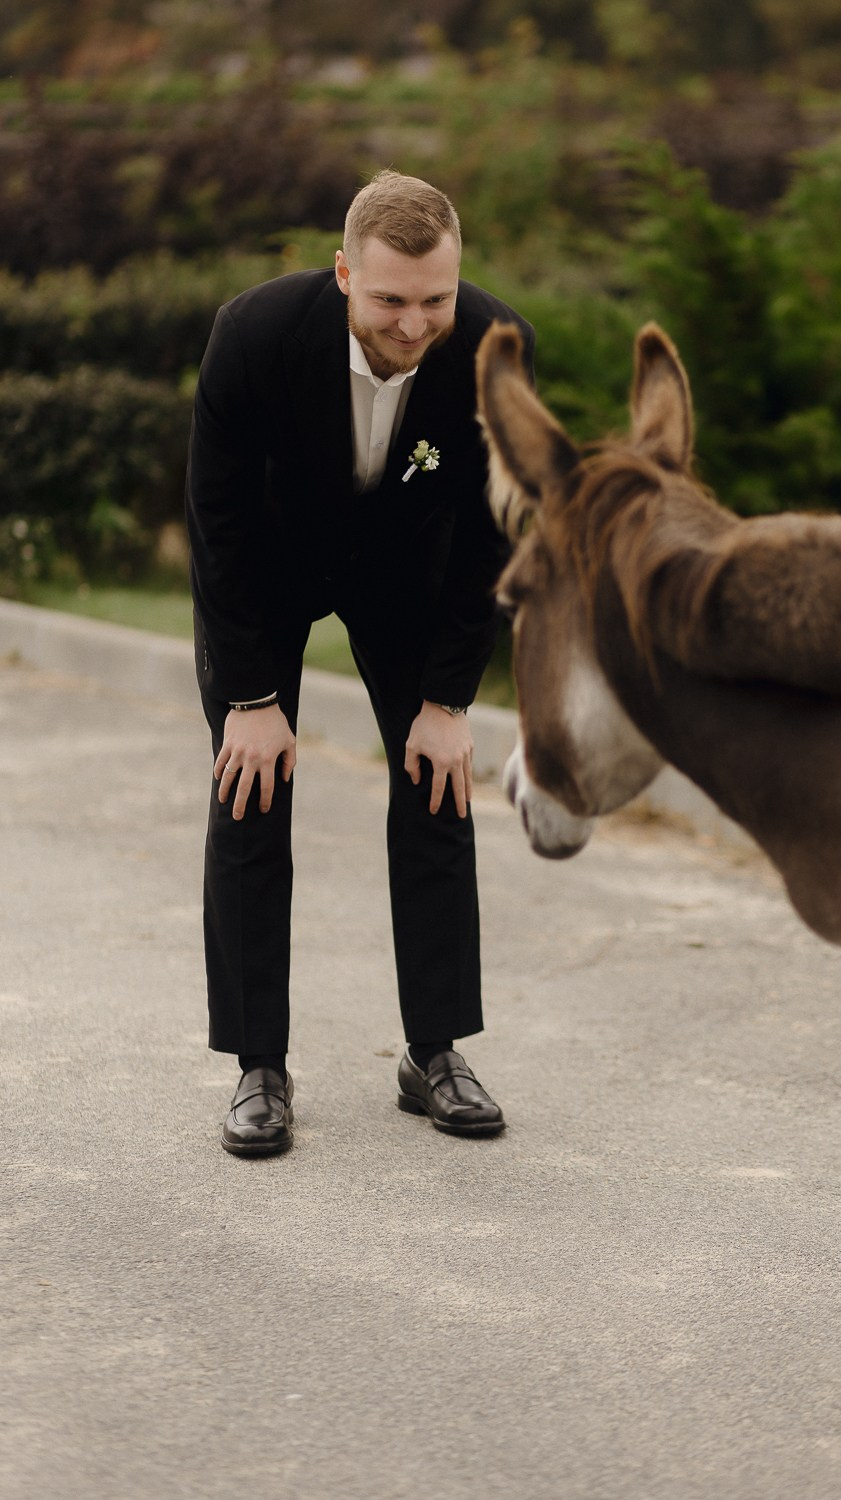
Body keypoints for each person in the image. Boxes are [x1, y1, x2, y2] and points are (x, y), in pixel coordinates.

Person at [186, 169, 534, 1157]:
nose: (417, 322)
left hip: (406, 578)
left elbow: (487, 534)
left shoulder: (495, 349)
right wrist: (250, 695)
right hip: (268, 569)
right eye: (391, 299)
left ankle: (435, 1055)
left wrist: (449, 697)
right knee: (247, 786)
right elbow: (215, 521)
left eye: (437, 298)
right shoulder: (252, 337)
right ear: (345, 275)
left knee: (437, 785)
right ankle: (259, 1064)